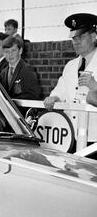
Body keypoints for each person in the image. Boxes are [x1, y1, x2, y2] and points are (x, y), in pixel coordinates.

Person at [43, 13, 97, 142]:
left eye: (80, 37)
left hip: (94, 138)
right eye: (73, 38)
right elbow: (60, 92)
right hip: (71, 136)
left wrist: (95, 86)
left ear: (94, 37)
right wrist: (54, 98)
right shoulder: (70, 66)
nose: (76, 42)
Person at [0, 36, 42, 114]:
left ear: (20, 51)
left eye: (13, 50)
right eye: (7, 52)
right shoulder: (3, 72)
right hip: (8, 116)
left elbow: (35, 94)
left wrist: (11, 101)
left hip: (22, 116)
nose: (10, 54)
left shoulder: (27, 70)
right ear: (3, 53)